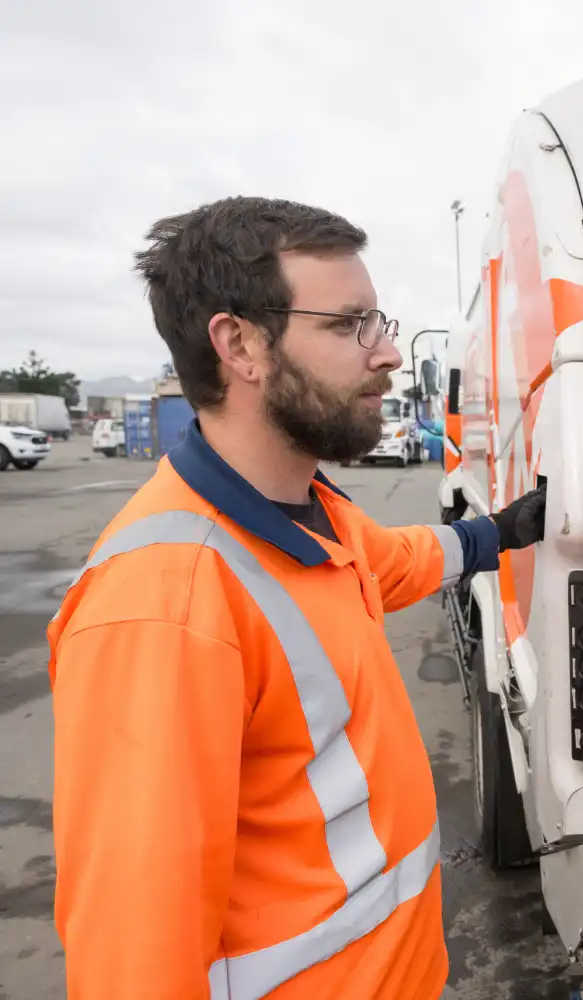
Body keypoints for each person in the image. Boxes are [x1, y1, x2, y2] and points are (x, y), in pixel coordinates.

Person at [46, 196, 547, 1000]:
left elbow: (398, 562)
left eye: (378, 321)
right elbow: (134, 962)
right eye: (351, 325)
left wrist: (501, 533)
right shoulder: (163, 605)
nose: (387, 354)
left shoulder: (315, 516)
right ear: (240, 343)